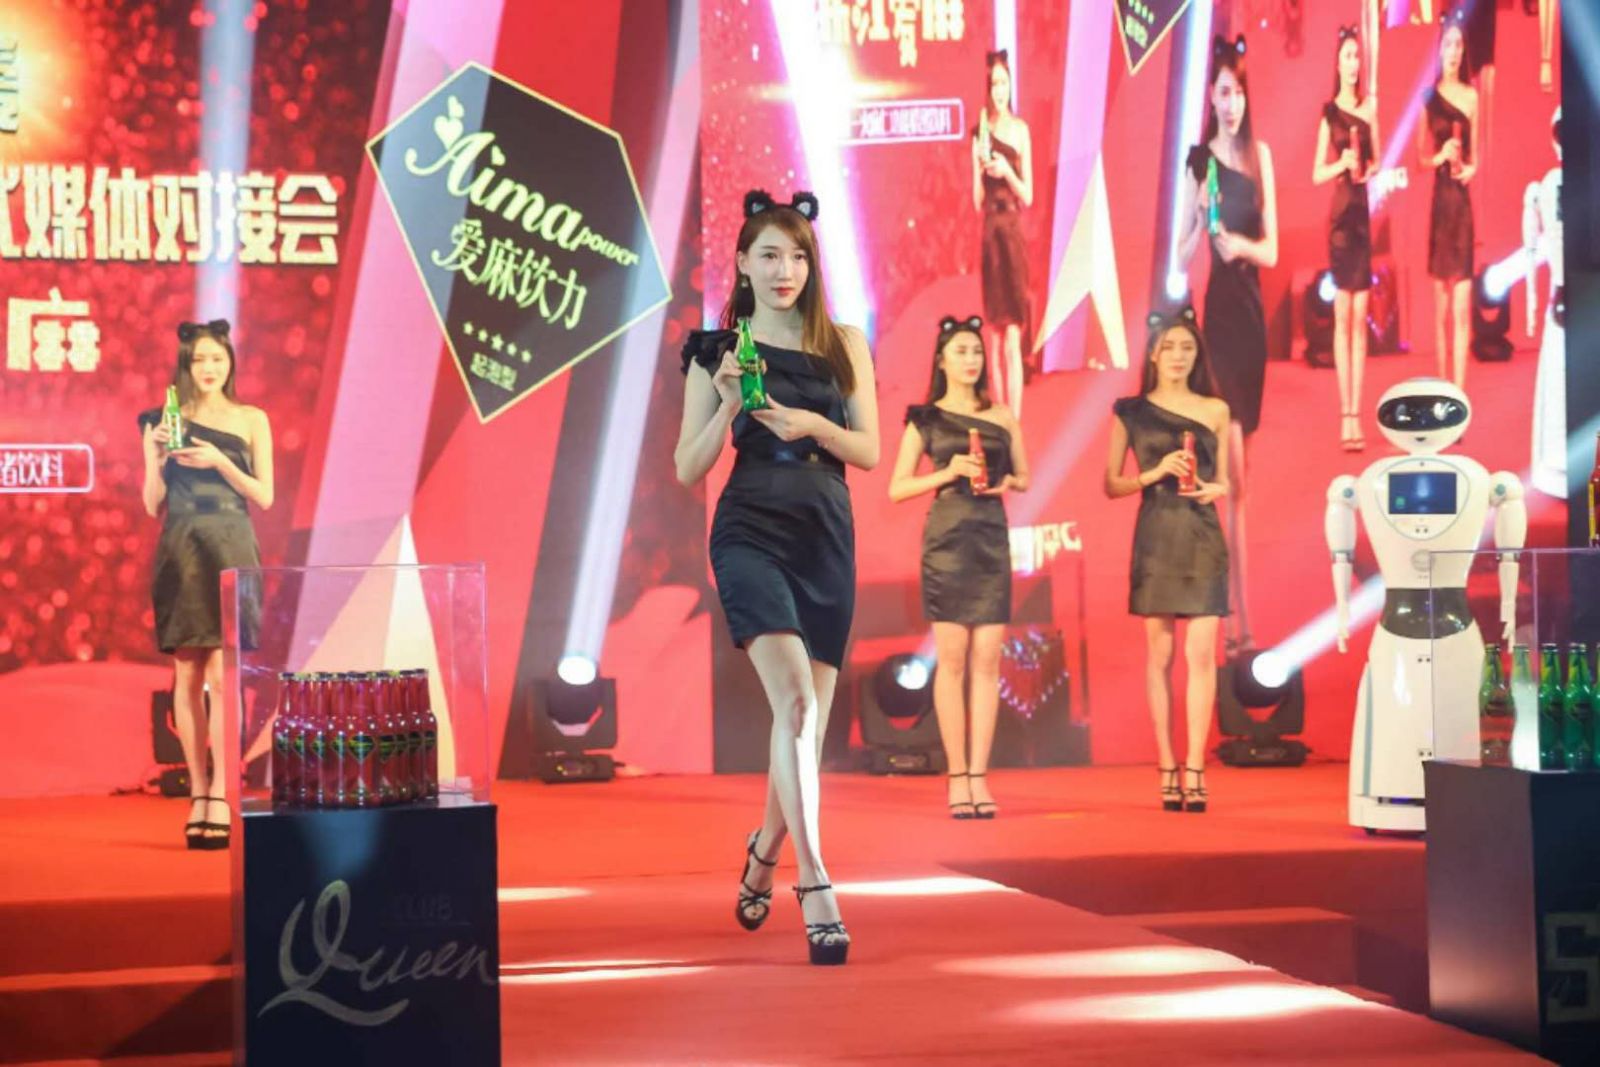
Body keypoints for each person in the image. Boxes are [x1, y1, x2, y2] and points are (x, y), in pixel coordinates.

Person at [676, 189, 879, 966]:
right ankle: (816, 880)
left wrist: (814, 424)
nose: (784, 270)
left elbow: (869, 451)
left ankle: (764, 848)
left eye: (797, 256)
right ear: (741, 263)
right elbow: (687, 465)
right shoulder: (717, 350)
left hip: (825, 531)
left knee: (805, 726)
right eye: (768, 255)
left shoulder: (843, 343)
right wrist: (727, 404)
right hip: (750, 529)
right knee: (793, 700)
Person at [889, 315, 1030, 820]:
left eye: (976, 352)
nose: (971, 360)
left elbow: (1024, 475)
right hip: (947, 541)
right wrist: (947, 473)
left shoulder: (1002, 415)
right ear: (942, 360)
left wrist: (1005, 483)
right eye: (961, 351)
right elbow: (898, 487)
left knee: (988, 660)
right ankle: (956, 777)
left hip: (990, 538)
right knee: (951, 660)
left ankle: (979, 776)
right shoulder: (924, 419)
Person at [139, 320, 273, 849]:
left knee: (222, 672)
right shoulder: (161, 420)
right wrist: (155, 458)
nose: (210, 368)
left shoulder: (252, 418)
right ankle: (198, 790)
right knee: (187, 672)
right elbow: (151, 503)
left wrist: (220, 462)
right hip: (180, 546)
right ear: (186, 367)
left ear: (230, 362)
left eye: (218, 358)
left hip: (231, 544)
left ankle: (222, 791)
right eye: (200, 360)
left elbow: (264, 496)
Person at [1104, 309, 1230, 814]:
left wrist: (1215, 488)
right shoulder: (1130, 411)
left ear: (1197, 356)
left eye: (1188, 348)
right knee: (1159, 656)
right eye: (1170, 347)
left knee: (1201, 654)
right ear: (1154, 354)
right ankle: (1166, 763)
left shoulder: (1215, 409)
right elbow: (1111, 483)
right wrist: (1153, 473)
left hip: (1202, 534)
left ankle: (1196, 766)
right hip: (1156, 533)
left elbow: (1228, 480)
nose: (1179, 356)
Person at [1177, 33, 1275, 654]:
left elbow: (1273, 250)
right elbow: (1181, 254)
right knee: (1231, 473)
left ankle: (1238, 610)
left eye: (1237, 92)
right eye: (1222, 93)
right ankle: (1239, 620)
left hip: (1252, 322)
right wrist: (1199, 216)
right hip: (1217, 323)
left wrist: (1241, 246)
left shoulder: (1260, 156)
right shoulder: (1200, 162)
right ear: (1210, 99)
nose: (1230, 103)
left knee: (1246, 483)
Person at [1313, 24, 1379, 451]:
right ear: (1337, 64)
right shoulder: (1330, 113)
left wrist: (1366, 169)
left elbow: (1377, 162)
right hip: (1339, 223)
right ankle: (1346, 415)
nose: (1353, 64)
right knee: (1343, 319)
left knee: (1360, 319)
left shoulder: (1370, 110)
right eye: (1347, 57)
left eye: (1357, 57)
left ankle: (1359, 410)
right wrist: (1342, 164)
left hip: (1361, 222)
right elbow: (1316, 172)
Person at [972, 49, 1033, 415]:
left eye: (1004, 82)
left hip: (1013, 232)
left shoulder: (1020, 130)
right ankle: (999, 417)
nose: (999, 90)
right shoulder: (980, 131)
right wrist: (981, 166)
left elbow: (1029, 194)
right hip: (990, 234)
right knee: (994, 334)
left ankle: (1015, 422)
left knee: (1013, 334)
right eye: (994, 83)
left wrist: (1007, 172)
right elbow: (976, 200)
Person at [1421, 8, 1478, 390]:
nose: (1454, 52)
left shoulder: (1472, 96)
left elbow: (1479, 158)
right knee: (1441, 310)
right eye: (1448, 44)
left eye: (1459, 44)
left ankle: (1460, 394)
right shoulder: (1428, 98)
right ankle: (1443, 390)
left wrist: (1470, 168)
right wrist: (1439, 156)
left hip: (1463, 205)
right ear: (1439, 50)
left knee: (1461, 309)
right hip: (1440, 205)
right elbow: (1419, 160)